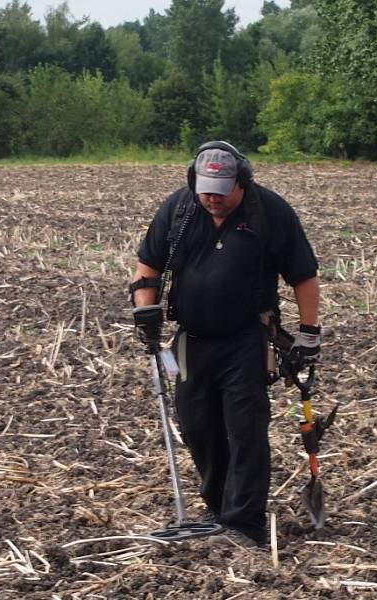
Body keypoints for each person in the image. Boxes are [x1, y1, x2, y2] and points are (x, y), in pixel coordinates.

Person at [129, 141, 321, 547]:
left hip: (247, 339)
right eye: (205, 189)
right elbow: (148, 266)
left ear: (242, 183)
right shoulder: (179, 210)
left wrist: (308, 334)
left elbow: (304, 275)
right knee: (198, 428)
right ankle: (218, 510)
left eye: (221, 189)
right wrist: (144, 314)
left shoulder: (269, 212)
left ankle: (245, 524)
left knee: (245, 429)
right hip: (191, 341)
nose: (212, 198)